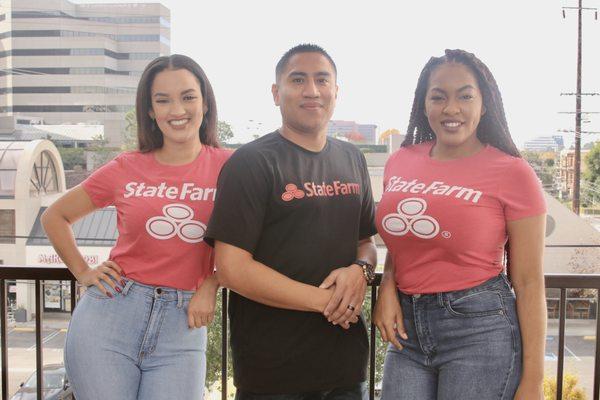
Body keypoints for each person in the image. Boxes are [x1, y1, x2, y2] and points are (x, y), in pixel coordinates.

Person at [41, 54, 231, 400]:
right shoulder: (126, 167)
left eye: (188, 96)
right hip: (110, 316)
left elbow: (258, 242)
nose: (177, 110)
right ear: (150, 110)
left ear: (205, 102)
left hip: (183, 323)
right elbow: (54, 217)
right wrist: (84, 272)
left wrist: (214, 281)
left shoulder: (231, 167)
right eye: (163, 100)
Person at [205, 44, 377, 399]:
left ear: (335, 91)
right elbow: (232, 267)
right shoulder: (250, 163)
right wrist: (322, 301)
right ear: (276, 93)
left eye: (321, 80)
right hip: (272, 374)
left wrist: (361, 269)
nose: (312, 90)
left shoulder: (352, 158)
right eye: (298, 80)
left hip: (346, 366)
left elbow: (366, 242)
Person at [373, 49, 547, 400]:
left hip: (480, 330)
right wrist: (388, 284)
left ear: (484, 105)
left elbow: (528, 282)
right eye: (438, 97)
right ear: (424, 105)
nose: (451, 109)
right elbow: (404, 238)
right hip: (407, 329)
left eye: (465, 96)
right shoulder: (401, 161)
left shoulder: (513, 172)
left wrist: (533, 381)